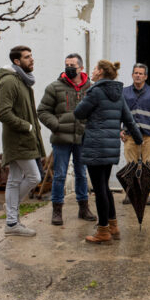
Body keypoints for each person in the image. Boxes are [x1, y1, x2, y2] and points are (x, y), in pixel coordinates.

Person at [74, 60, 143, 244]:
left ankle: (103, 230)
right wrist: (139, 140)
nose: (93, 71)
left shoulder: (95, 91)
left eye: (96, 68)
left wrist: (83, 97)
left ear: (102, 72)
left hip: (95, 147)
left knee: (100, 189)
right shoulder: (118, 95)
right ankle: (113, 226)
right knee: (104, 187)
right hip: (110, 147)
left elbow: (79, 113)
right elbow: (129, 120)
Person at [37, 53, 95, 225]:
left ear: (81, 68)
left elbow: (96, 111)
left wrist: (89, 129)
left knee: (81, 175)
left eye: (72, 66)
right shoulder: (54, 87)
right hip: (61, 138)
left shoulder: (90, 88)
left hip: (82, 139)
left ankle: (84, 208)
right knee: (60, 175)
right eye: (67, 65)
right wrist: (56, 126)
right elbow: (42, 111)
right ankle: (57, 211)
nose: (69, 68)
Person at [0, 45, 46, 237]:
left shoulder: (22, 80)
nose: (31, 60)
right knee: (35, 177)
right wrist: (26, 126)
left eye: (31, 56)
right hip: (18, 138)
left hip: (25, 138)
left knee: (15, 180)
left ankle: (12, 222)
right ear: (17, 62)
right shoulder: (9, 81)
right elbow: (2, 112)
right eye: (27, 57)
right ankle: (11, 213)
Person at [121, 63, 150, 205]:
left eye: (141, 73)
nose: (138, 75)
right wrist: (119, 129)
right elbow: (119, 112)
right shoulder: (124, 92)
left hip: (149, 136)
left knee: (148, 166)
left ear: (145, 76)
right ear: (132, 75)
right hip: (130, 136)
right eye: (136, 73)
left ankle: (147, 194)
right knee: (130, 165)